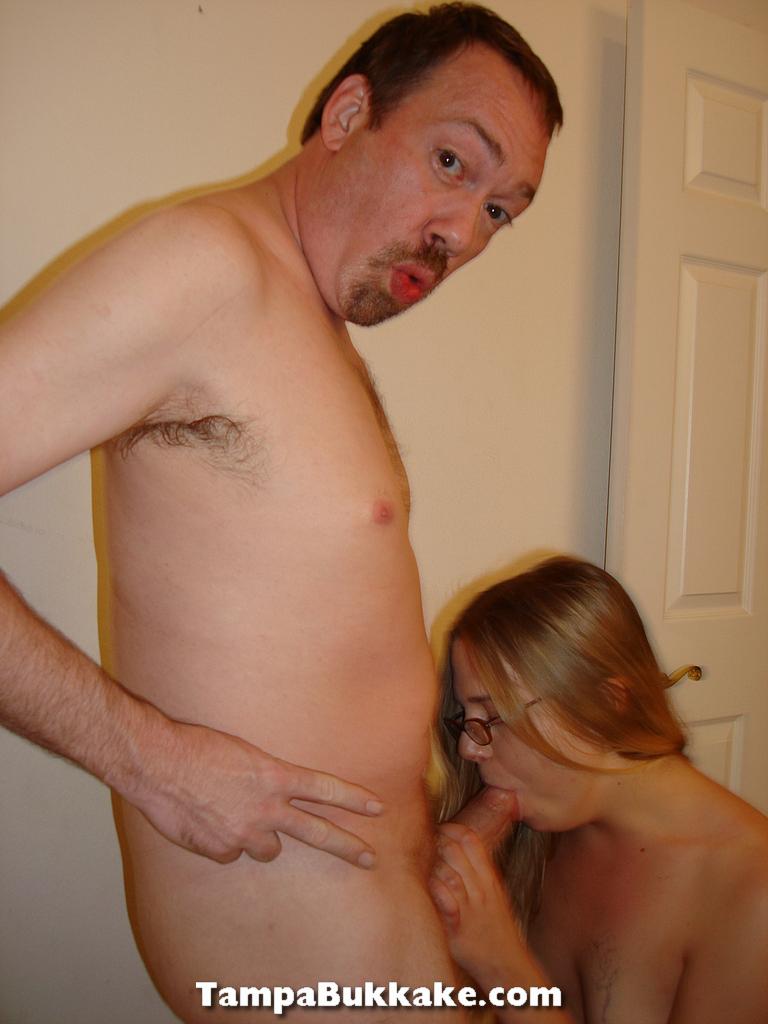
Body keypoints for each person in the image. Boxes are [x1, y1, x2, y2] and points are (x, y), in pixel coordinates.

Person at [0, 3, 561, 1021]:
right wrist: (151, 761)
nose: (462, 234)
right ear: (347, 114)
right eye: (450, 163)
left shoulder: (304, 316)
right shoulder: (205, 269)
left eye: (499, 210)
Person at [431, 556, 768, 1023]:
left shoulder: (750, 889)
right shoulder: (543, 832)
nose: (469, 748)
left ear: (607, 704)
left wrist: (500, 964)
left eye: (493, 717)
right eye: (465, 719)